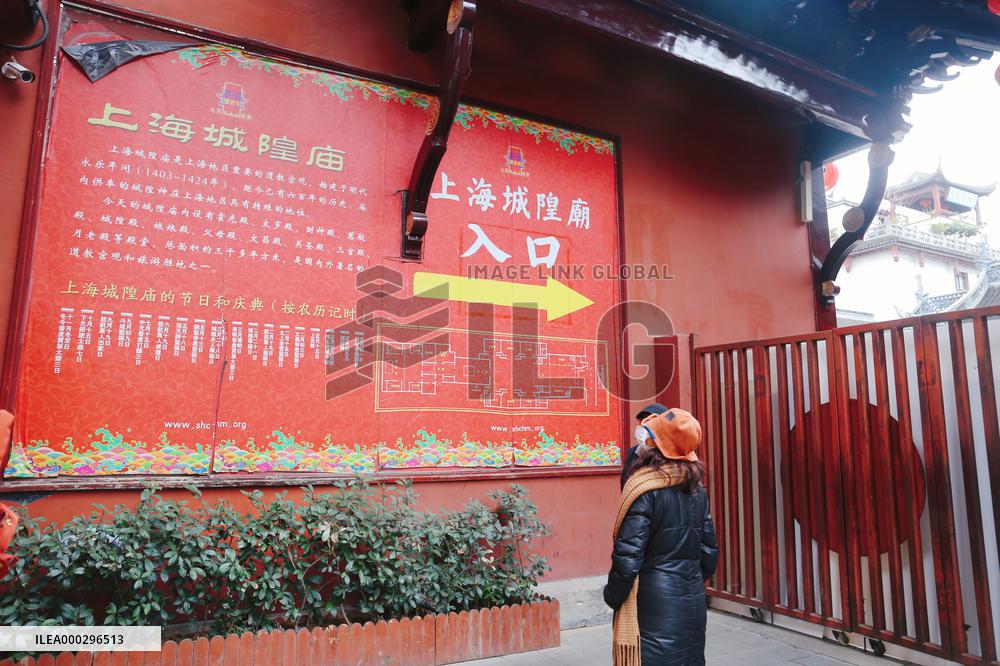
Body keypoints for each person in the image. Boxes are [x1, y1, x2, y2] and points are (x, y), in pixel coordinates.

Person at [604, 408, 719, 666]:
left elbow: (628, 557)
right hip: (691, 599)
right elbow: (710, 553)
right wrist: (686, 578)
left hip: (654, 602)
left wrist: (613, 595)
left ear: (657, 444)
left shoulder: (644, 488)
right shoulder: (697, 489)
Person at [620, 403, 668, 490]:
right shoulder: (632, 453)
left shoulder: (670, 456)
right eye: (641, 422)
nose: (643, 427)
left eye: (650, 423)